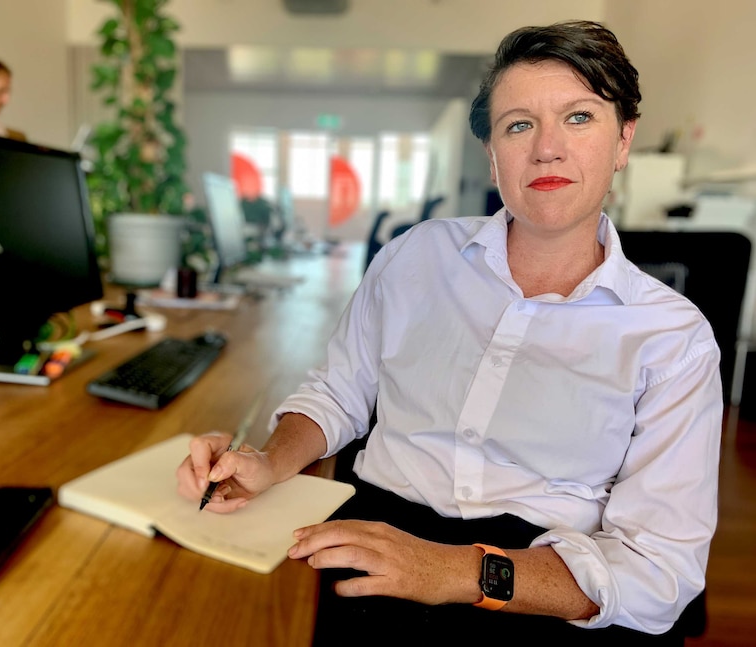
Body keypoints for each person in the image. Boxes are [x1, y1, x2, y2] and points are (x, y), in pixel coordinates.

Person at [176, 20, 721, 646]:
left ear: (623, 140)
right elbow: (340, 391)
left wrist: (453, 569)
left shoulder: (673, 339)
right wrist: (270, 461)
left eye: (579, 117)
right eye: (519, 124)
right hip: (376, 532)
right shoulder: (416, 257)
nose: (547, 148)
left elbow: (658, 572)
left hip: (541, 577)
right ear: (492, 154)